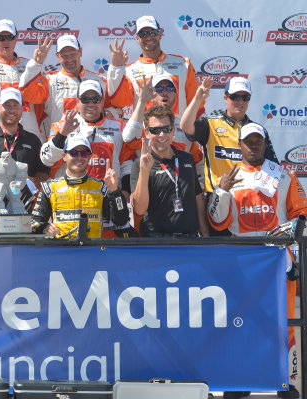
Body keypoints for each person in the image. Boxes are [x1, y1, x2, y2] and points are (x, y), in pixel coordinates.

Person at [207, 123, 306, 399]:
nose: (253, 145)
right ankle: (240, 380)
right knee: (240, 321)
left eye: (258, 140)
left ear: (265, 143)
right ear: (239, 145)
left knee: (283, 322)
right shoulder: (229, 177)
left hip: (276, 260)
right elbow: (217, 222)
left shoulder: (283, 175)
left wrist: (292, 253)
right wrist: (221, 192)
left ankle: (285, 381)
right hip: (242, 260)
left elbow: (301, 214)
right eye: (248, 141)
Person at [181, 76, 278, 195]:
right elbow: (185, 126)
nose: (240, 102)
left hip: (249, 200)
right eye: (235, 97)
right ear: (226, 98)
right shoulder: (210, 124)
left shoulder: (258, 130)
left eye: (245, 97)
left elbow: (273, 168)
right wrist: (198, 99)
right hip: (217, 197)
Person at [19, 34, 129, 137]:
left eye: (73, 54)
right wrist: (36, 64)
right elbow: (27, 95)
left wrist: (109, 113)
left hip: (92, 146)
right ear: (57, 56)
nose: (69, 59)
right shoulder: (49, 82)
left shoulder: (99, 80)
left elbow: (119, 105)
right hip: (61, 146)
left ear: (80, 52)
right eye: (64, 55)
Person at [40, 80, 135, 196]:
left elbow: (127, 163)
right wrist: (62, 134)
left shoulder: (119, 127)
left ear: (102, 102)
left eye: (95, 99)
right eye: (85, 99)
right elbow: (46, 160)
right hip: (70, 196)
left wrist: (126, 191)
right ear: (77, 102)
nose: (91, 104)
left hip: (107, 196)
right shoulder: (62, 126)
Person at [130, 105, 208, 237]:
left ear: (173, 130)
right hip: (157, 242)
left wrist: (206, 237)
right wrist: (144, 171)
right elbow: (139, 209)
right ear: (147, 132)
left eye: (166, 129)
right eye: (155, 130)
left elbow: (197, 199)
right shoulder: (140, 165)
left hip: (190, 239)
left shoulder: (187, 159)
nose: (161, 135)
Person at [31, 136, 129, 238]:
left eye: (84, 153)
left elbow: (121, 220)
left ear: (90, 157)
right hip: (61, 250)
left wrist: (114, 191)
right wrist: (44, 228)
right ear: (64, 156)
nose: (79, 157)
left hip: (92, 251)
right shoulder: (50, 187)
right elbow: (34, 221)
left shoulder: (101, 187)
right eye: (73, 153)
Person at [107, 16, 203, 118]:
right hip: (146, 133)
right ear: (137, 38)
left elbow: (196, 103)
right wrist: (116, 68)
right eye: (143, 34)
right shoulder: (129, 70)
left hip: (178, 131)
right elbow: (119, 101)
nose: (148, 37)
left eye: (152, 32)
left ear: (160, 34)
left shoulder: (183, 64)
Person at [123, 75, 204, 185]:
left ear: (175, 94)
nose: (165, 92)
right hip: (150, 189)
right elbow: (128, 138)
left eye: (169, 89)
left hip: (180, 190)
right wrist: (142, 101)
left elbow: (197, 161)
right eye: (159, 89)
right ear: (153, 94)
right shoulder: (143, 124)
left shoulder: (183, 126)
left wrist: (200, 189)